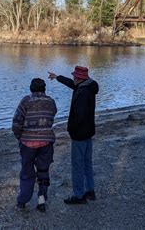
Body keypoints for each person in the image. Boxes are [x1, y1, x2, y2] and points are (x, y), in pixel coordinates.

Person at [48, 66, 99, 205]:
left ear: (79, 78)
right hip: (88, 131)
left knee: (77, 165)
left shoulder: (82, 92)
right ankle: (90, 190)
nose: (73, 79)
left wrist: (71, 129)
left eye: (74, 77)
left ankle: (78, 195)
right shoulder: (87, 86)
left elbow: (80, 116)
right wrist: (57, 77)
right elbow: (72, 84)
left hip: (80, 133)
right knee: (87, 162)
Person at [12, 78, 57, 212]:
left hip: (27, 142)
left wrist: (19, 137)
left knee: (27, 172)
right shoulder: (51, 101)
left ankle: (23, 201)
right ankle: (41, 201)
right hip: (46, 142)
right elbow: (52, 115)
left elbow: (16, 122)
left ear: (31, 89)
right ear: (44, 89)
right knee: (43, 171)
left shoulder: (25, 101)